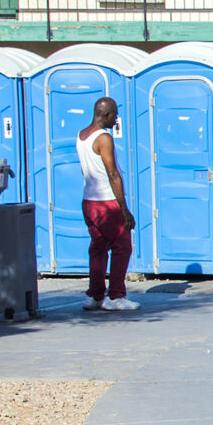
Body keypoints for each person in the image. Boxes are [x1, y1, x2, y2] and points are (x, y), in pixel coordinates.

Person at [77, 98, 137, 313]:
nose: (116, 118)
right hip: (106, 202)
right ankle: (116, 296)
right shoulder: (103, 138)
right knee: (122, 247)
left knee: (98, 248)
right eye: (115, 115)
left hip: (89, 201)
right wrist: (124, 208)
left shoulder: (82, 135)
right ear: (106, 115)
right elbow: (112, 174)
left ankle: (94, 295)